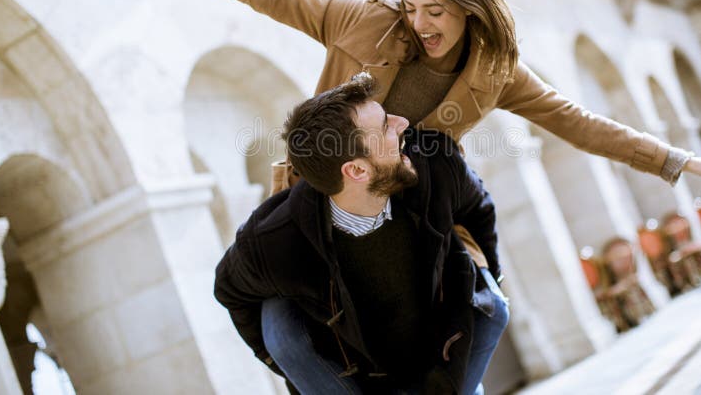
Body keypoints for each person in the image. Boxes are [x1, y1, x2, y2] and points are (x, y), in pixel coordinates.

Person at [110, 0, 701, 186]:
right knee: (283, 327)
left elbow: (578, 122)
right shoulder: (361, 20)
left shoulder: (496, 71)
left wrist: (676, 161)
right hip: (317, 184)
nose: (420, 25)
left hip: (407, 197)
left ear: (470, 6)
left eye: (436, 11)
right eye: (411, 8)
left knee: (487, 309)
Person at [214, 73, 508, 394]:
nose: (401, 123)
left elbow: (479, 210)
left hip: (441, 348)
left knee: (493, 305)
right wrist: (288, 365)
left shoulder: (435, 163)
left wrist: (487, 274)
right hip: (361, 379)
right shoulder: (273, 240)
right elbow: (230, 290)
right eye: (385, 126)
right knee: (277, 321)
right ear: (356, 170)